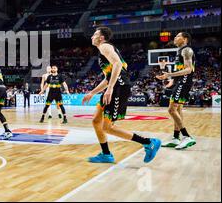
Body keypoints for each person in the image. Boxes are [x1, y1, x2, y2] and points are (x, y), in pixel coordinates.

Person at [82, 27, 161, 164]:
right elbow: (109, 77)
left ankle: (149, 143)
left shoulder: (104, 46)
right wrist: (92, 92)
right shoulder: (105, 50)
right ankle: (106, 154)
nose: (91, 37)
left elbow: (118, 64)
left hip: (119, 88)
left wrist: (111, 88)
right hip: (115, 86)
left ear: (101, 38)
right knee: (96, 121)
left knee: (107, 127)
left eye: (95, 34)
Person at [156, 32, 197, 150]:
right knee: (178, 109)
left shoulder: (186, 50)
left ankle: (187, 136)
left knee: (171, 109)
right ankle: (175, 138)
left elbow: (188, 69)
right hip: (180, 82)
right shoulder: (179, 51)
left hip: (184, 82)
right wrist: (171, 80)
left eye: (178, 36)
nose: (175, 37)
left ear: (185, 39)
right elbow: (179, 69)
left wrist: (170, 74)